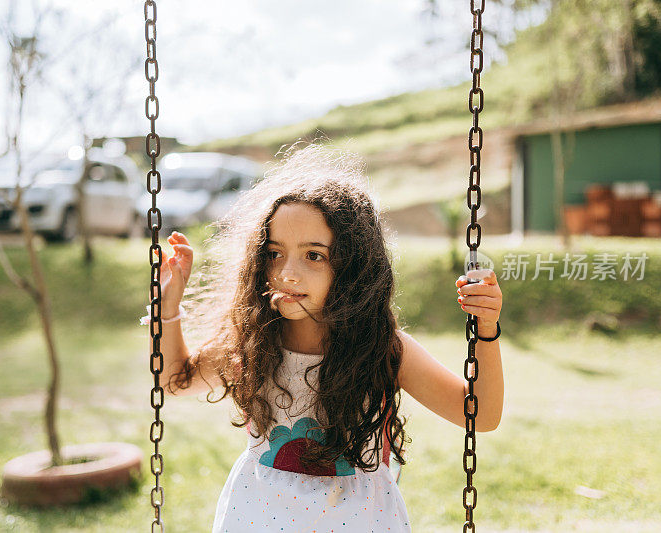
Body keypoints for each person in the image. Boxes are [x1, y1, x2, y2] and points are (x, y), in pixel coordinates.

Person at [141, 142, 504, 532]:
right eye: (274, 253)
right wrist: (168, 309)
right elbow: (174, 380)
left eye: (313, 255)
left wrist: (486, 330)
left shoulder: (380, 348)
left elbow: (479, 415)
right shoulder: (252, 340)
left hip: (357, 519)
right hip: (260, 515)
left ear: (352, 265)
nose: (287, 273)